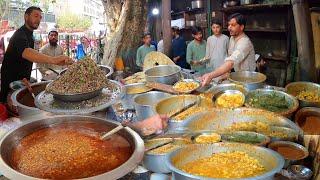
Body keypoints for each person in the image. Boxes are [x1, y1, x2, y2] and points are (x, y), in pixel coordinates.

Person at [0, 6, 72, 103]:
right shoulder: (20, 34)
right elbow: (27, 52)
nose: (38, 19)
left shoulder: (30, 35)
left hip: (23, 81)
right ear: (26, 16)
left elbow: (27, 58)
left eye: (40, 17)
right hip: (11, 86)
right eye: (36, 16)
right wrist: (53, 60)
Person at [199, 13, 256, 86]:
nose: (229, 27)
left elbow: (231, 62)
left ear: (241, 27)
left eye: (233, 25)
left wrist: (210, 75)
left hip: (248, 79)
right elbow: (230, 55)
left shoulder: (245, 42)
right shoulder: (232, 38)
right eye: (229, 25)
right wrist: (226, 74)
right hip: (237, 75)